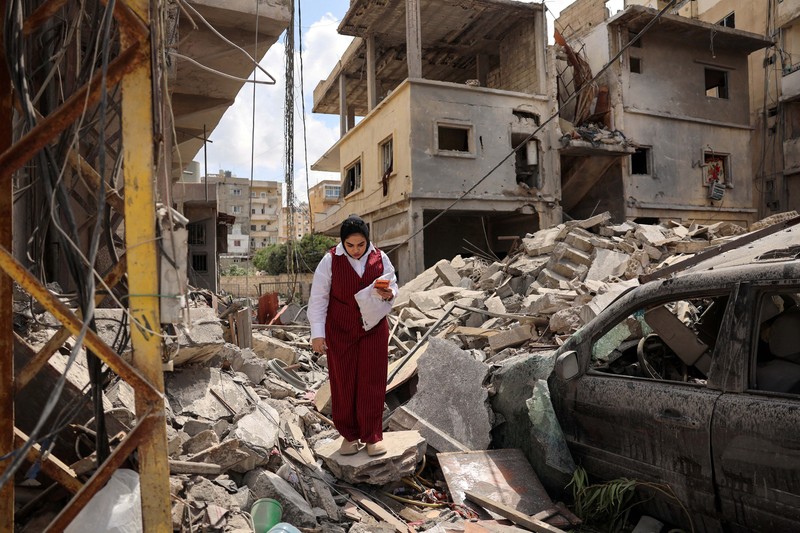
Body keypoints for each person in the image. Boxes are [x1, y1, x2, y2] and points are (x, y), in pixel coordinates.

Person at [307, 215, 398, 456]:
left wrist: (389, 293)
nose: (356, 250)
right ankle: (349, 437)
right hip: (340, 330)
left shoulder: (381, 257)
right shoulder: (330, 260)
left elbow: (393, 284)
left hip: (374, 329)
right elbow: (318, 299)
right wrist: (317, 334)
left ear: (367, 241)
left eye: (360, 245)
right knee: (343, 381)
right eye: (350, 245)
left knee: (372, 381)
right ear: (342, 242)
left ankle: (372, 437)